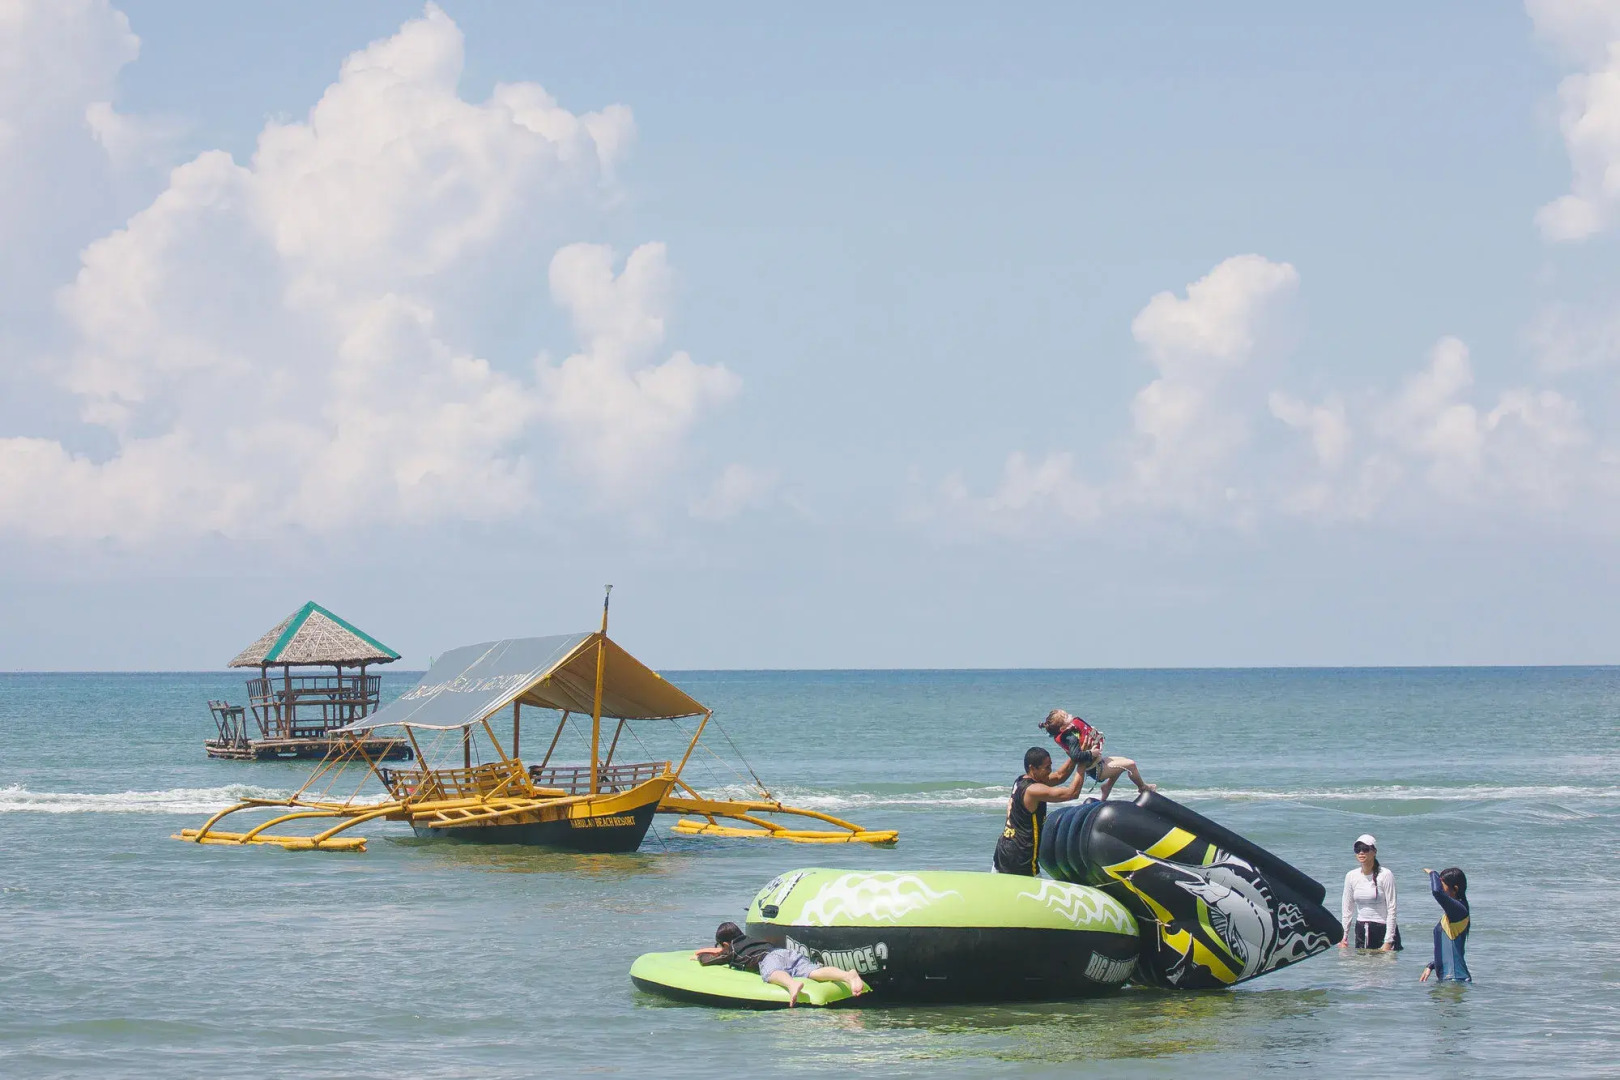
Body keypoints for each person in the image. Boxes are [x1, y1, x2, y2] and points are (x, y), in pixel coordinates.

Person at [695, 921, 867, 1006]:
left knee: (771, 973)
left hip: (769, 958)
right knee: (812, 971)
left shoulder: (733, 948)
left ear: (725, 944)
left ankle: (792, 985)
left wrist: (701, 956)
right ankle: (847, 975)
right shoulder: (752, 939)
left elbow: (708, 961)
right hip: (785, 953)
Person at [992, 745, 1087, 875]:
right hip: (1021, 857)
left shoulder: (1021, 780)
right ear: (1032, 768)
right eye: (1046, 767)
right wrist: (1083, 763)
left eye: (1050, 766)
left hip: (1003, 851)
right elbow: (1072, 793)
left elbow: (1059, 776)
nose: (1050, 770)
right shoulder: (1033, 790)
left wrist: (1078, 753)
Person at [1038, 709, 1155, 801]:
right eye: (1067, 716)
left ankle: (1107, 787)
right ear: (1063, 727)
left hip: (1097, 763)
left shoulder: (1072, 732)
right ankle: (1142, 788)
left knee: (1123, 761)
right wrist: (1091, 753)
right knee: (1131, 764)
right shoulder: (1071, 738)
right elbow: (1075, 756)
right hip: (1097, 769)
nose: (1070, 715)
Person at [1338, 833, 1400, 951]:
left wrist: (1388, 941)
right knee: (1362, 962)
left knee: (1386, 963)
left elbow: (1392, 909)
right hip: (1362, 929)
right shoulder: (1351, 876)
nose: (1361, 852)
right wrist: (1343, 937)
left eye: (1365, 849)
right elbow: (1347, 909)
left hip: (1383, 929)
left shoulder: (1385, 875)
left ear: (1374, 852)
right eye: (1358, 849)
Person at [1418, 867, 1471, 983]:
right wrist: (1431, 965)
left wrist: (1433, 873)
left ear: (1455, 889)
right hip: (1451, 980)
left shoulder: (1459, 911)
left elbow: (1437, 892)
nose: (1440, 888)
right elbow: (1450, 950)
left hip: (1455, 980)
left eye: (1442, 885)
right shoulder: (1455, 913)